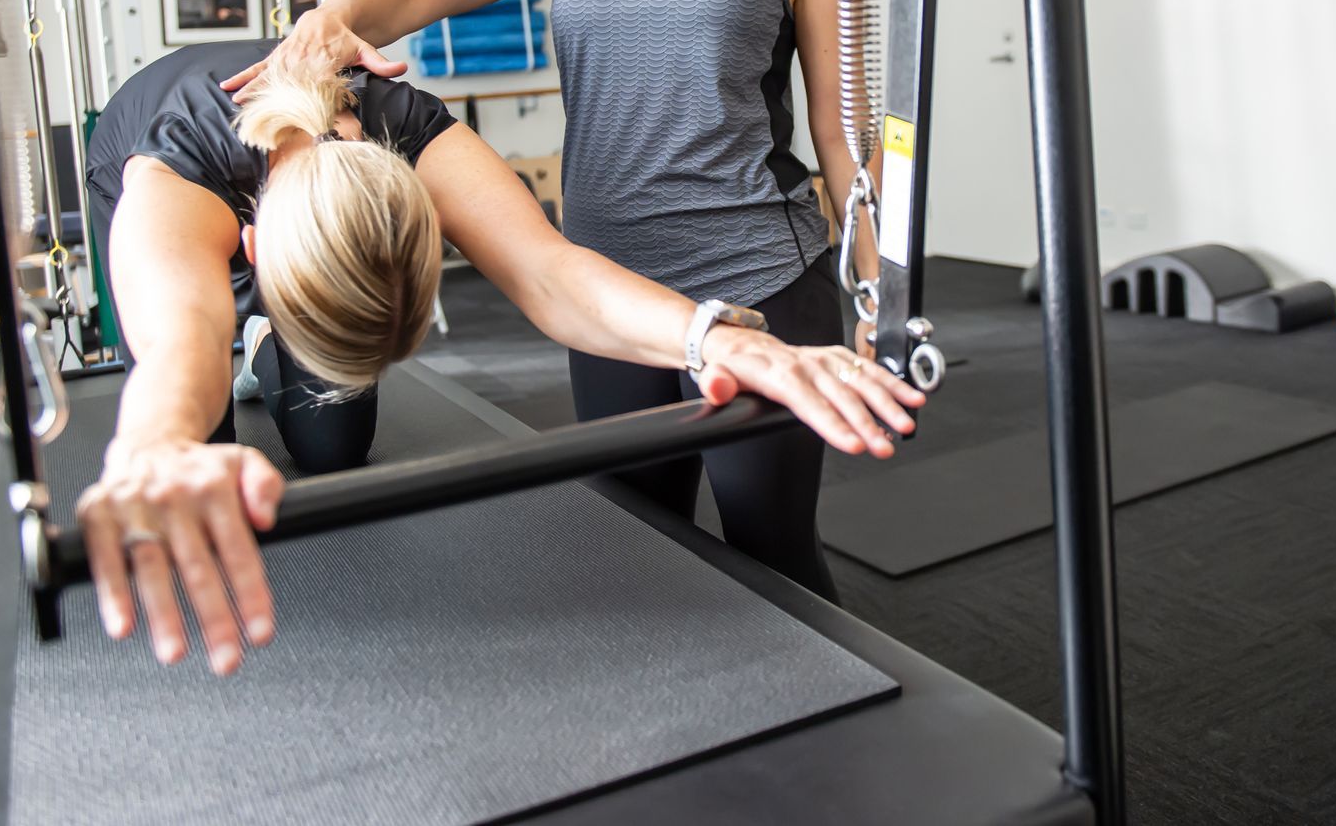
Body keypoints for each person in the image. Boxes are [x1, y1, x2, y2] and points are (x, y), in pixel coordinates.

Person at [227, 0, 879, 602]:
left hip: (761, 279)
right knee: (640, 549)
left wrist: (878, 294)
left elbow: (843, 136)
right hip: (606, 288)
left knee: (771, 549)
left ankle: (837, 741)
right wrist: (336, 17)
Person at [80, 37, 921, 677]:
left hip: (303, 225)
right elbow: (178, 345)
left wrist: (721, 337)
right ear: (254, 249)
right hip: (144, 166)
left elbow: (551, 274)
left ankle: (273, 342)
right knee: (205, 474)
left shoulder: (404, 126)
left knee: (334, 445)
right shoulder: (173, 178)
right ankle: (264, 342)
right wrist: (154, 449)